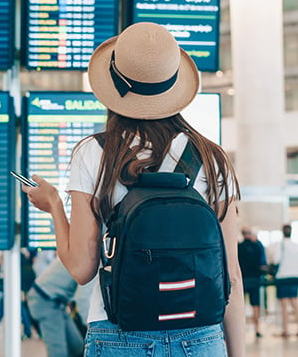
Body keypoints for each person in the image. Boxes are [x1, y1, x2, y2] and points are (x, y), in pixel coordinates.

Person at [22, 22, 245, 356]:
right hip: (201, 337)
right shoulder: (212, 157)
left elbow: (82, 269)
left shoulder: (95, 152)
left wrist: (53, 203)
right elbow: (232, 276)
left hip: (119, 334)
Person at [26, 256, 94, 356]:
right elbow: (82, 298)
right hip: (45, 300)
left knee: (76, 347)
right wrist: (91, 327)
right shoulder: (91, 262)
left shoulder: (82, 253)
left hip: (57, 302)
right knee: (58, 352)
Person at [268, 223, 298, 338]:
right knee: (294, 303)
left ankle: (286, 330)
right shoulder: (297, 246)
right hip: (296, 275)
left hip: (283, 276)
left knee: (284, 305)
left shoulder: (280, 245)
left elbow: (276, 260)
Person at [238, 225, 266, 337]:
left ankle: (240, 329)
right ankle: (257, 329)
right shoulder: (257, 246)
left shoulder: (238, 247)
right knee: (256, 305)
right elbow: (262, 263)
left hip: (243, 280)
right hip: (255, 280)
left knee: (241, 306)